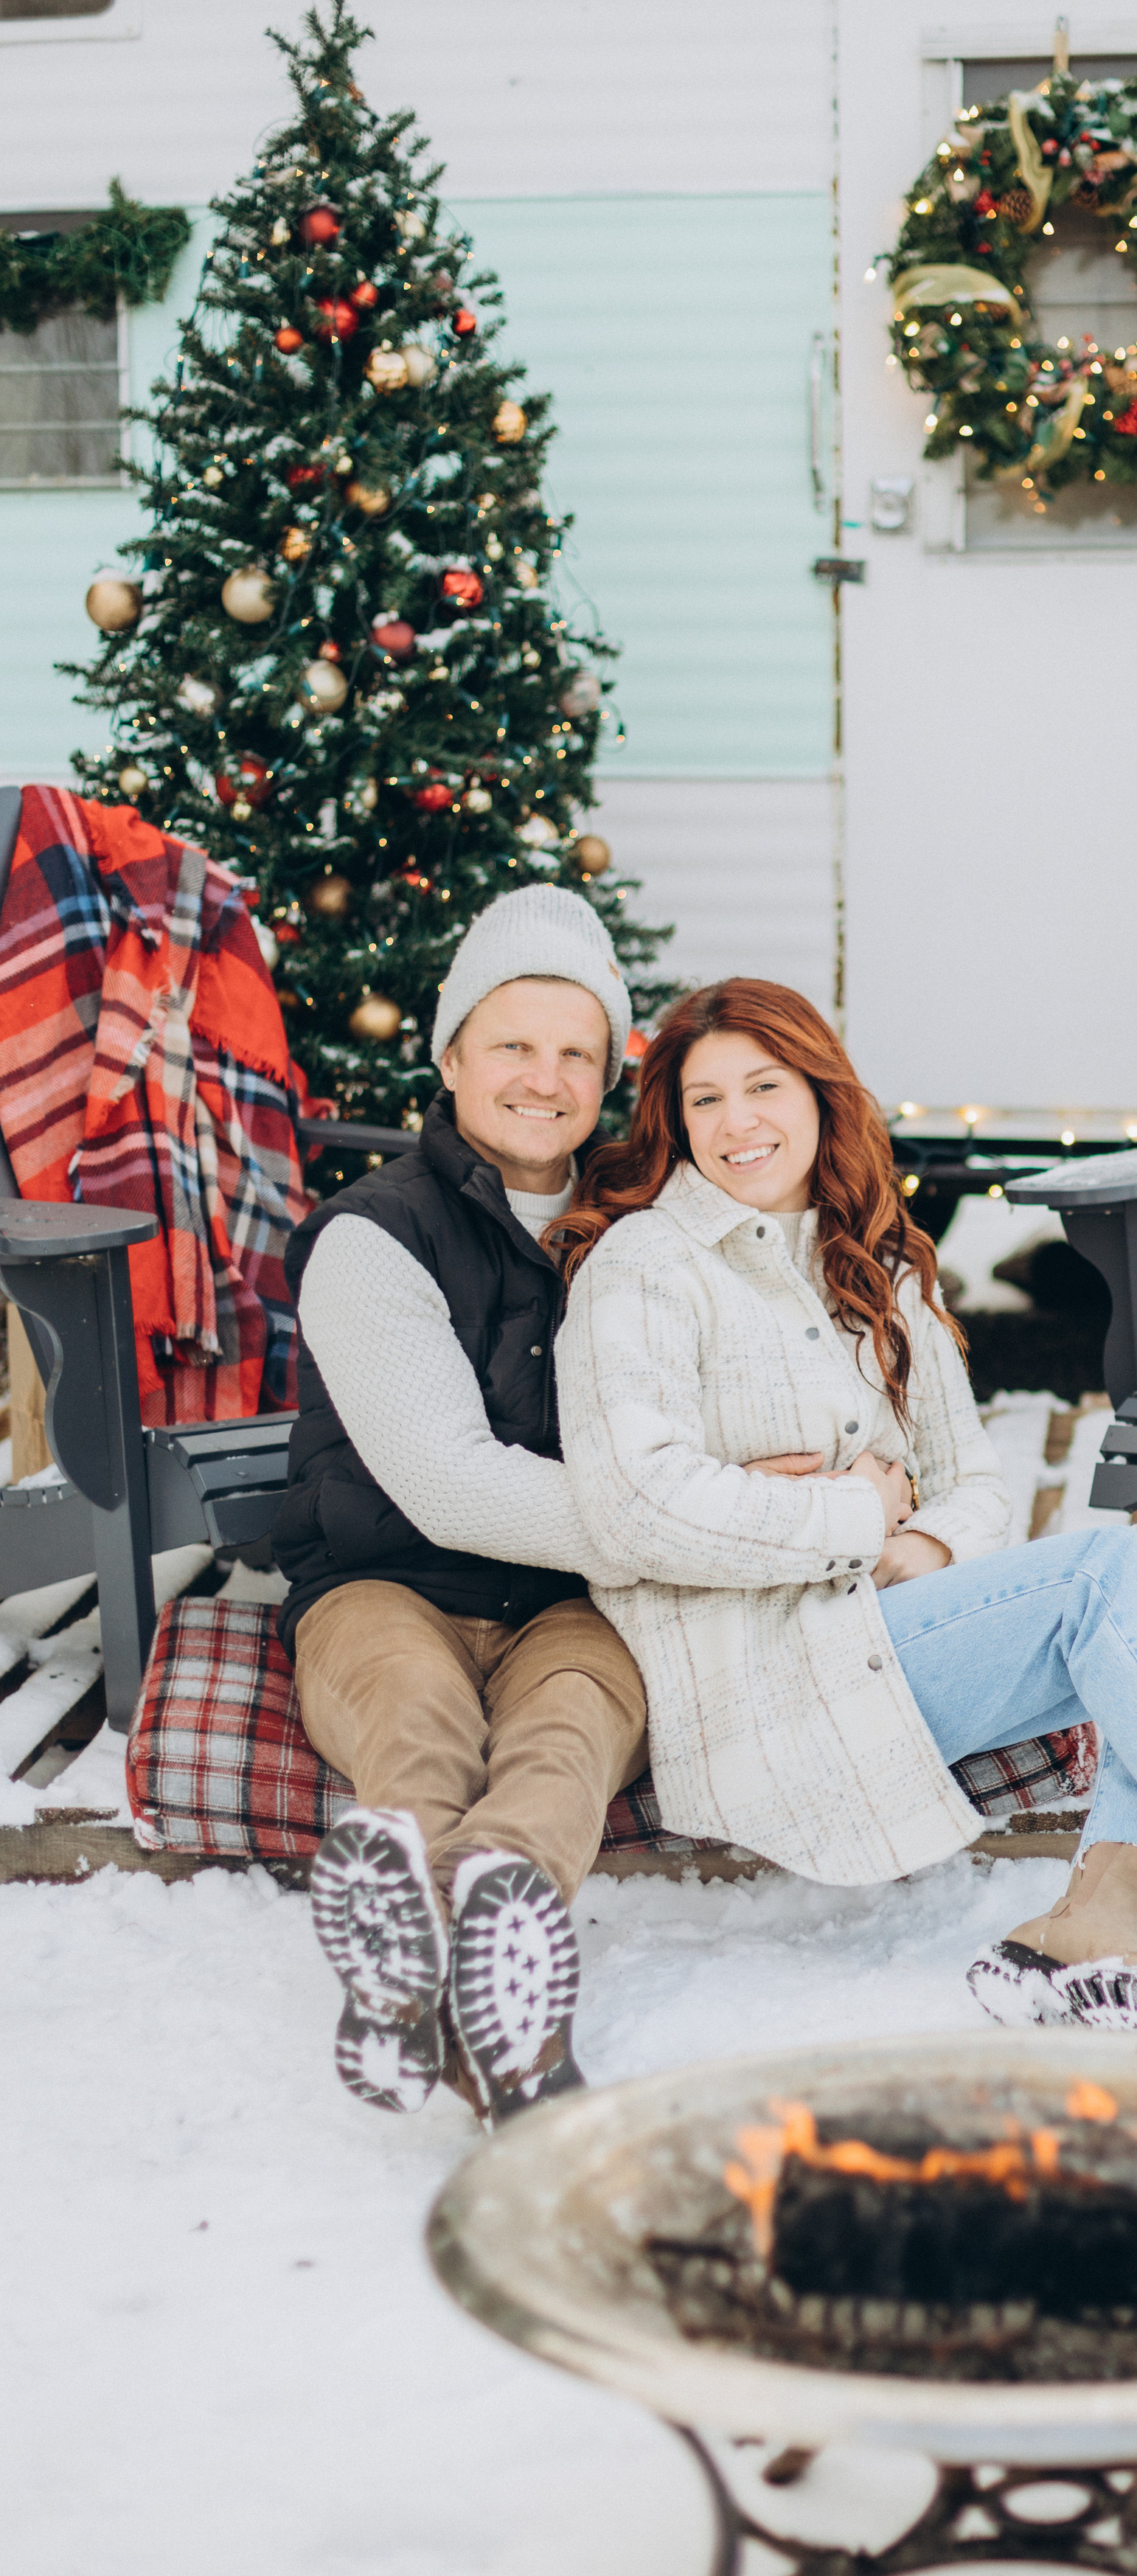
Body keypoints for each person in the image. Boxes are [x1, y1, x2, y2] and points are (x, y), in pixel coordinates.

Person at [552, 978, 1137, 2045]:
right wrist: (856, 1517)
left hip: (876, 1639)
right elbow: (635, 1505)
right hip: (759, 1680)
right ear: (675, 1123)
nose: (738, 1123)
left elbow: (973, 1482)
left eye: (765, 1087)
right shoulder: (646, 1266)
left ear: (821, 1095)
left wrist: (920, 1541)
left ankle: (1095, 1921)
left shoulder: (872, 1266)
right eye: (706, 1100)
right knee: (1102, 1578)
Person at [277, 889, 650, 2123]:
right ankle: (508, 2037)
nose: (546, 1079)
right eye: (513, 1045)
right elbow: (446, 1483)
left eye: (577, 1053)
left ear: (609, 1075)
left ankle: (466, 1944)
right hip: (383, 1581)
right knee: (416, 1717)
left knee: (574, 1729)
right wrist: (691, 1533)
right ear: (450, 1058)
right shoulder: (373, 1235)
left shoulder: (645, 1233)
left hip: (572, 1601)